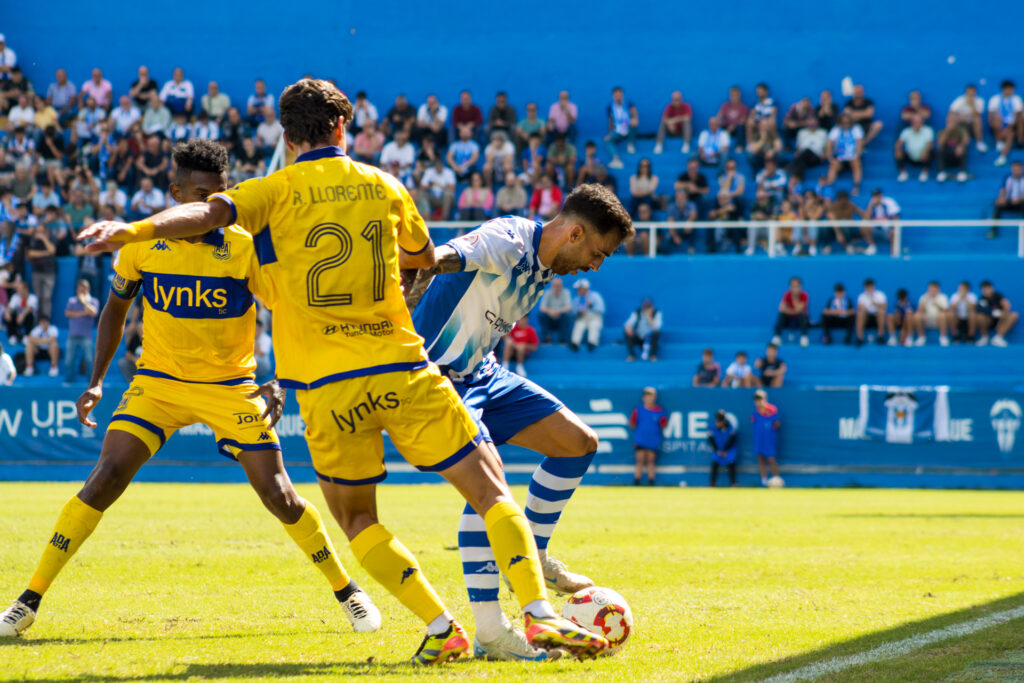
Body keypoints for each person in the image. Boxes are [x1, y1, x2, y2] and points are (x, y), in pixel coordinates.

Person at [78, 79, 606, 662]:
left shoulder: (270, 190)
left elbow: (207, 213)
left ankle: (442, 628)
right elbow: (424, 260)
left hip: (326, 387)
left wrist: (134, 230)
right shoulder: (385, 185)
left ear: (285, 135)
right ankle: (539, 614)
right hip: (403, 366)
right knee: (491, 490)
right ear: (341, 128)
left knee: (356, 519)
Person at [1, 138, 387, 643]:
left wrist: (282, 378)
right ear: (175, 190)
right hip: (158, 384)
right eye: (198, 194)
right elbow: (115, 309)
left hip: (231, 388)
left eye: (216, 195)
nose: (209, 207)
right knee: (105, 477)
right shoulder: (143, 244)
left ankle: (348, 592)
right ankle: (26, 602)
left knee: (280, 495)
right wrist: (96, 382)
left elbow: (294, 313)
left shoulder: (246, 248)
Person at [403, 183, 630, 660]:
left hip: (482, 372)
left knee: (578, 443)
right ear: (572, 233)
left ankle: (533, 554)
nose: (596, 265)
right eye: (597, 252)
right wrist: (414, 273)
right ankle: (491, 630)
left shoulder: (549, 263)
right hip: (438, 378)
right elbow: (441, 257)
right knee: (489, 491)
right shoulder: (508, 239)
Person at [629, 388, 667, 486]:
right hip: (640, 439)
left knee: (651, 460)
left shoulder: (659, 411)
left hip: (653, 440)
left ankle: (651, 480)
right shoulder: (638, 410)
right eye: (647, 396)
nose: (650, 399)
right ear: (643, 398)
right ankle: (637, 480)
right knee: (640, 460)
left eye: (652, 396)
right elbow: (632, 424)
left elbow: (663, 424)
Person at [63, 279, 98, 383]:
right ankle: (69, 381)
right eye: (79, 289)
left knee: (89, 360)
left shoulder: (94, 301)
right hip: (72, 336)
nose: (81, 291)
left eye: (83, 289)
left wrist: (84, 302)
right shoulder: (72, 301)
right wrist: (83, 313)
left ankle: (91, 382)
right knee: (69, 360)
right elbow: (68, 313)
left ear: (88, 289)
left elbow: (94, 313)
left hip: (86, 336)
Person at [825, 114, 865, 196]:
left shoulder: (856, 129)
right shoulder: (836, 130)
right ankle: (828, 187)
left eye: (847, 122)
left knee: (856, 163)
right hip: (840, 157)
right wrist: (829, 157)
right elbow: (829, 143)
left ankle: (856, 187)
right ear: (840, 123)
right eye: (843, 123)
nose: (846, 124)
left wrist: (857, 155)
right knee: (834, 164)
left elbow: (860, 143)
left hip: (853, 156)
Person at [989, 80, 1023, 166]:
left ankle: (1002, 156)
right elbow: (990, 116)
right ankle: (999, 140)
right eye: (1007, 89)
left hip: (1012, 126)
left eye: (1011, 89)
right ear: (1003, 89)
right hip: (998, 126)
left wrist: (1011, 125)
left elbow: (1017, 117)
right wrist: (993, 123)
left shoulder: (1016, 99)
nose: (1009, 91)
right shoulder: (995, 99)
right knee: (997, 118)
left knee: (1010, 134)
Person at [976, 280, 1019, 347]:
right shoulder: (981, 299)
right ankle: (984, 337)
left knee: (1014, 315)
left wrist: (1001, 318)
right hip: (989, 321)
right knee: (980, 316)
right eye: (984, 289)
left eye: (987, 288)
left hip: (1000, 320)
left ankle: (998, 338)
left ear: (991, 288)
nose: (986, 291)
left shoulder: (998, 296)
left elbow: (1006, 306)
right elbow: (981, 310)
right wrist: (993, 312)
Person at [752, 390, 781, 487]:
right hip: (759, 439)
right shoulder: (755, 413)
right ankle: (764, 481)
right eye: (757, 399)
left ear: (765, 399)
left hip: (769, 439)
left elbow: (777, 424)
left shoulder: (772, 410)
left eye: (760, 399)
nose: (759, 401)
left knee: (771, 459)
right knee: (760, 458)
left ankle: (776, 480)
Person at [604, 87, 637, 169]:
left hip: (628, 129)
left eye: (620, 94)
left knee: (634, 122)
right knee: (607, 139)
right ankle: (616, 159)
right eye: (616, 95)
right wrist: (610, 133)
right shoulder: (610, 107)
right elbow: (611, 121)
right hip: (617, 131)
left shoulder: (628, 103)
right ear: (613, 96)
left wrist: (635, 119)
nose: (618, 97)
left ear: (622, 95)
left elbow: (635, 114)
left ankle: (630, 144)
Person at [895, 114, 934, 182]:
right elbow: (899, 143)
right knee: (897, 152)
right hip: (910, 156)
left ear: (922, 122)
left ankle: (924, 173)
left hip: (923, 157)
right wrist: (898, 149)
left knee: (930, 152)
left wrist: (925, 151)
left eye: (919, 122)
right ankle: (903, 173)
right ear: (911, 123)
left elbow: (930, 143)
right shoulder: (906, 131)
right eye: (915, 122)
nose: (917, 124)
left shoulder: (928, 130)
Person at [772, 277, 810, 347]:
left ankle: (804, 337)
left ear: (800, 286)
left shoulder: (804, 295)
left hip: (800, 320)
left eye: (797, 286)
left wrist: (794, 297)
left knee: (802, 315)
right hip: (789, 319)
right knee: (781, 315)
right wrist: (793, 311)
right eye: (793, 286)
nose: (795, 288)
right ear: (790, 287)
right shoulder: (787, 294)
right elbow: (781, 308)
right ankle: (777, 337)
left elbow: (799, 310)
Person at [991, 161, 1024, 239]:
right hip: (1009, 201)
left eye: (1018, 169)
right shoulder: (1007, 178)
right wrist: (1001, 198)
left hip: (1021, 202)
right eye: (1014, 168)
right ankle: (993, 231)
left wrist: (1018, 200)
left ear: (1021, 169)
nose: (1016, 170)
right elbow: (1003, 190)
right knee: (998, 204)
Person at [949, 84, 986, 153]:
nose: (971, 94)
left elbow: (977, 114)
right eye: (969, 92)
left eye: (973, 92)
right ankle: (951, 139)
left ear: (975, 92)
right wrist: (960, 117)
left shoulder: (980, 101)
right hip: (960, 122)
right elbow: (951, 112)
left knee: (977, 119)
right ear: (966, 92)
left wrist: (971, 104)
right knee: (951, 119)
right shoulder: (959, 100)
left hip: (972, 124)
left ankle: (979, 142)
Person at [936, 112, 970, 183]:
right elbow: (940, 143)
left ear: (956, 122)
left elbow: (966, 139)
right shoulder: (942, 131)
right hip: (947, 157)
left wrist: (961, 146)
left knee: (964, 149)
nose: (950, 122)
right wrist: (947, 132)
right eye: (949, 121)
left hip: (957, 156)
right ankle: (941, 172)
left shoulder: (961, 130)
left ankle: (962, 172)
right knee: (940, 149)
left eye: (952, 121)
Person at [624, 298, 661, 362]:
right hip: (638, 337)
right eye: (645, 306)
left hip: (649, 338)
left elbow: (656, 328)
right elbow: (628, 323)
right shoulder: (637, 312)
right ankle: (632, 355)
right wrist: (628, 328)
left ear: (652, 307)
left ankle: (652, 355)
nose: (646, 308)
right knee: (626, 332)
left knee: (656, 333)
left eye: (648, 306)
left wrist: (649, 316)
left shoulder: (657, 313)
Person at [915, 281, 950, 346]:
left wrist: (937, 304)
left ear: (938, 289)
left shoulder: (943, 297)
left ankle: (943, 337)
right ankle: (921, 337)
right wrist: (924, 303)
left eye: (934, 289)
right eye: (930, 289)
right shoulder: (924, 297)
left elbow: (946, 311)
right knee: (917, 316)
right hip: (927, 320)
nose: (932, 291)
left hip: (939, 320)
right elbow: (919, 311)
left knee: (942, 315)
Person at [707, 411, 738, 487]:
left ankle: (733, 482)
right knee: (715, 463)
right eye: (717, 421)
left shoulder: (730, 428)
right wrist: (717, 450)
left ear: (723, 421)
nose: (717, 423)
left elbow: (732, 440)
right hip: (718, 450)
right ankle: (712, 482)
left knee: (731, 462)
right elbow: (711, 440)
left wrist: (725, 451)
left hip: (728, 450)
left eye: (719, 421)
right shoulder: (712, 427)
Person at [538, 277, 572, 344]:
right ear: (552, 286)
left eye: (559, 286)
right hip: (550, 319)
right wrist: (550, 311)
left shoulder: (566, 292)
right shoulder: (548, 293)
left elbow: (569, 307)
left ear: (562, 286)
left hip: (560, 319)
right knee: (542, 315)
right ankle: (546, 339)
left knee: (566, 316)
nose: (557, 287)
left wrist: (558, 311)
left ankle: (563, 340)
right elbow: (542, 308)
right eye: (555, 285)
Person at [856, 278, 888, 345]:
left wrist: (875, 304)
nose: (869, 289)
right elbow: (860, 307)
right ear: (865, 287)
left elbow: (884, 307)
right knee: (860, 314)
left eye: (871, 286)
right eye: (868, 287)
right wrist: (864, 308)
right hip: (867, 316)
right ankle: (859, 338)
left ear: (874, 286)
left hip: (877, 316)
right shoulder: (862, 296)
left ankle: (880, 336)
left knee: (881, 312)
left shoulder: (880, 295)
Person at [718, 86, 749, 152]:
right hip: (726, 128)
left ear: (739, 95)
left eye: (736, 95)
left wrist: (733, 126)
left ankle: (739, 147)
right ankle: (720, 147)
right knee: (718, 126)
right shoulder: (725, 105)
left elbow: (743, 120)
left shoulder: (743, 107)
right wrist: (717, 121)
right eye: (732, 95)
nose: (734, 97)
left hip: (737, 129)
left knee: (740, 127)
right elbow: (719, 116)